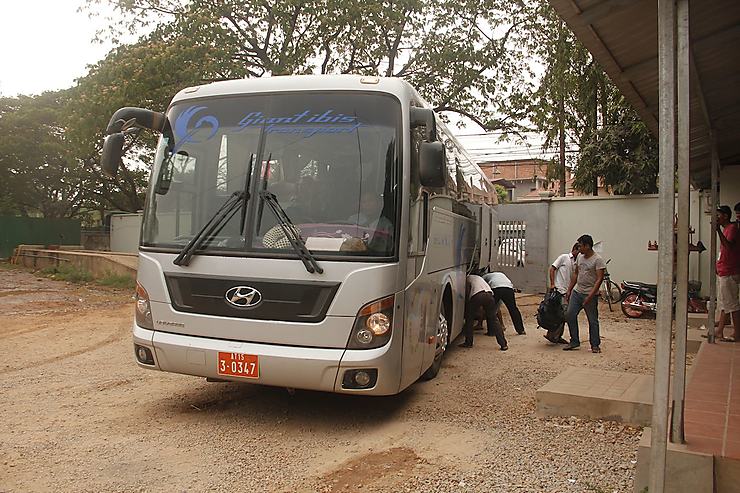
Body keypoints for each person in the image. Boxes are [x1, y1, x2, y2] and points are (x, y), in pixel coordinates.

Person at [563, 234, 606, 353]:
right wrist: (569, 289)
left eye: (580, 246)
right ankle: (574, 341)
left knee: (592, 320)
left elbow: (599, 279)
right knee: (570, 315)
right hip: (577, 292)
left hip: (589, 294)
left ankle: (595, 344)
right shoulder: (580, 257)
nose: (579, 249)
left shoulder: (598, 260)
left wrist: (590, 296)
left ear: (587, 246)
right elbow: (576, 273)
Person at [460, 274, 508, 350]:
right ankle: (503, 344)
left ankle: (468, 342)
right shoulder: (479, 278)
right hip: (489, 295)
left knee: (469, 318)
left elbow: (467, 292)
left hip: (477, 295)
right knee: (494, 319)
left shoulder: (467, 279)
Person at [546, 242, 580, 344]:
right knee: (561, 314)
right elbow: (552, 269)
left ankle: (555, 335)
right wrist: (552, 284)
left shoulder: (578, 262)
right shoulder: (564, 257)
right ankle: (553, 334)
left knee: (562, 314)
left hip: (568, 292)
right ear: (575, 249)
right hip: (559, 290)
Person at [714, 205, 739, 341]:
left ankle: (737, 333)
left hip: (729, 271)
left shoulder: (732, 229)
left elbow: (728, 246)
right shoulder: (728, 229)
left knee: (732, 304)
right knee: (725, 302)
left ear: (725, 216)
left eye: (719, 215)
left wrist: (718, 230)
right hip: (724, 270)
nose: (717, 218)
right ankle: (720, 331)